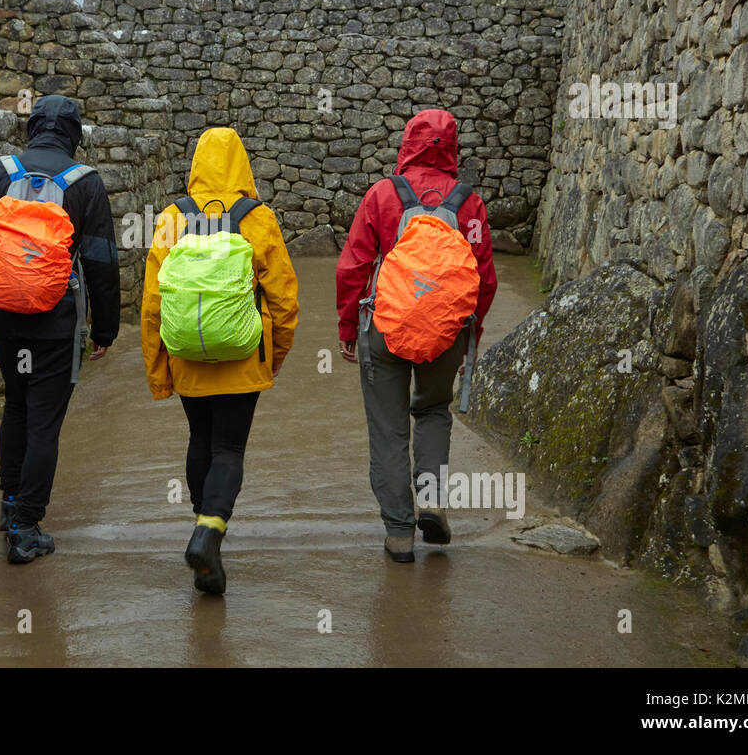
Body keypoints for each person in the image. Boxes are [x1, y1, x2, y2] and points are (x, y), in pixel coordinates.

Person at [0, 94, 120, 564]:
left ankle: (10, 507)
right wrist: (104, 330)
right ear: (74, 134)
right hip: (57, 321)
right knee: (45, 420)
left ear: (32, 128)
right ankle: (27, 528)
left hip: (5, 314)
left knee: (17, 407)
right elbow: (102, 264)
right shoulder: (84, 183)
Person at [141, 127, 299, 594]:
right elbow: (284, 297)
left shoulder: (173, 217)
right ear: (242, 165)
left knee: (200, 439)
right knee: (229, 449)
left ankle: (202, 533)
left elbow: (153, 302)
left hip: (187, 354)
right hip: (243, 355)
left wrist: (159, 370)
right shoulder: (258, 218)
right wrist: (275, 355)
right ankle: (209, 531)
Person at [335, 109, 497, 563]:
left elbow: (353, 267)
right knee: (432, 411)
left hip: (385, 327)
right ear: (452, 148)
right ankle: (431, 498)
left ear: (407, 143)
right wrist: (471, 336)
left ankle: (399, 535)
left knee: (388, 431)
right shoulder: (469, 203)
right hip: (446, 331)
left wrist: (349, 327)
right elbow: (485, 278)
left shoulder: (383, 196)